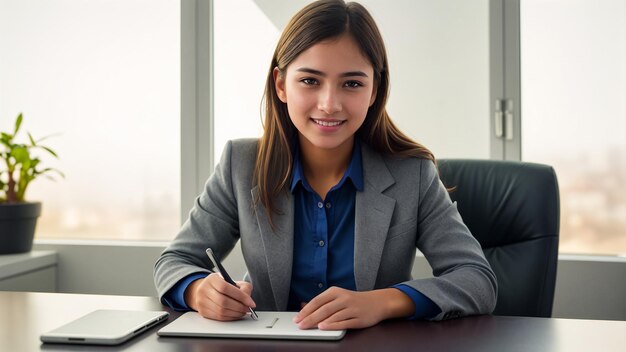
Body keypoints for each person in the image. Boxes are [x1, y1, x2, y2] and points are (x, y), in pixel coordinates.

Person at [154, 0, 497, 330]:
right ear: (280, 85)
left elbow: (476, 279)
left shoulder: (413, 174)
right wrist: (199, 291)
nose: (330, 104)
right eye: (310, 81)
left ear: (374, 90)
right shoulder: (240, 165)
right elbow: (173, 262)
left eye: (351, 83)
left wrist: (381, 302)